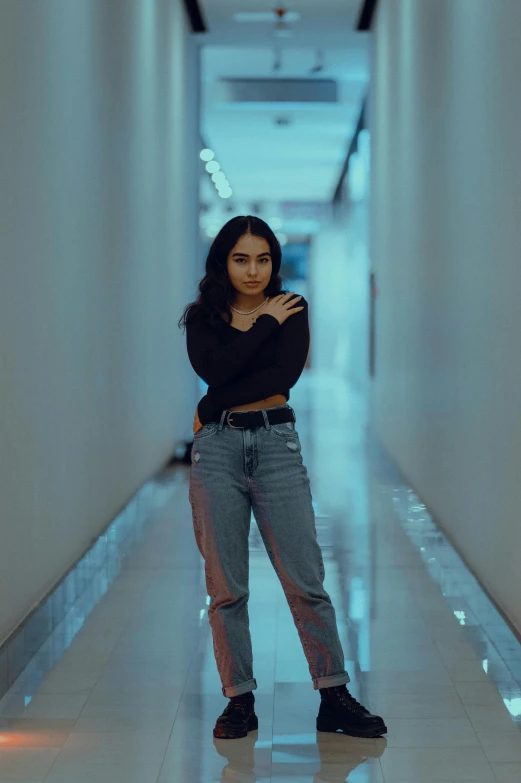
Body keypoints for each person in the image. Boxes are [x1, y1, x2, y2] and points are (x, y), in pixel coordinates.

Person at [178, 215, 387, 740]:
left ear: (274, 261)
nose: (254, 271)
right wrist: (259, 330)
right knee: (226, 586)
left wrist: (211, 398)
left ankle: (333, 696)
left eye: (264, 259)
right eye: (242, 259)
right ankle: (239, 701)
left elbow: (282, 378)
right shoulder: (203, 317)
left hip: (276, 445)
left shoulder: (294, 309)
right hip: (218, 449)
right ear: (223, 261)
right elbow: (219, 369)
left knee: (306, 579)